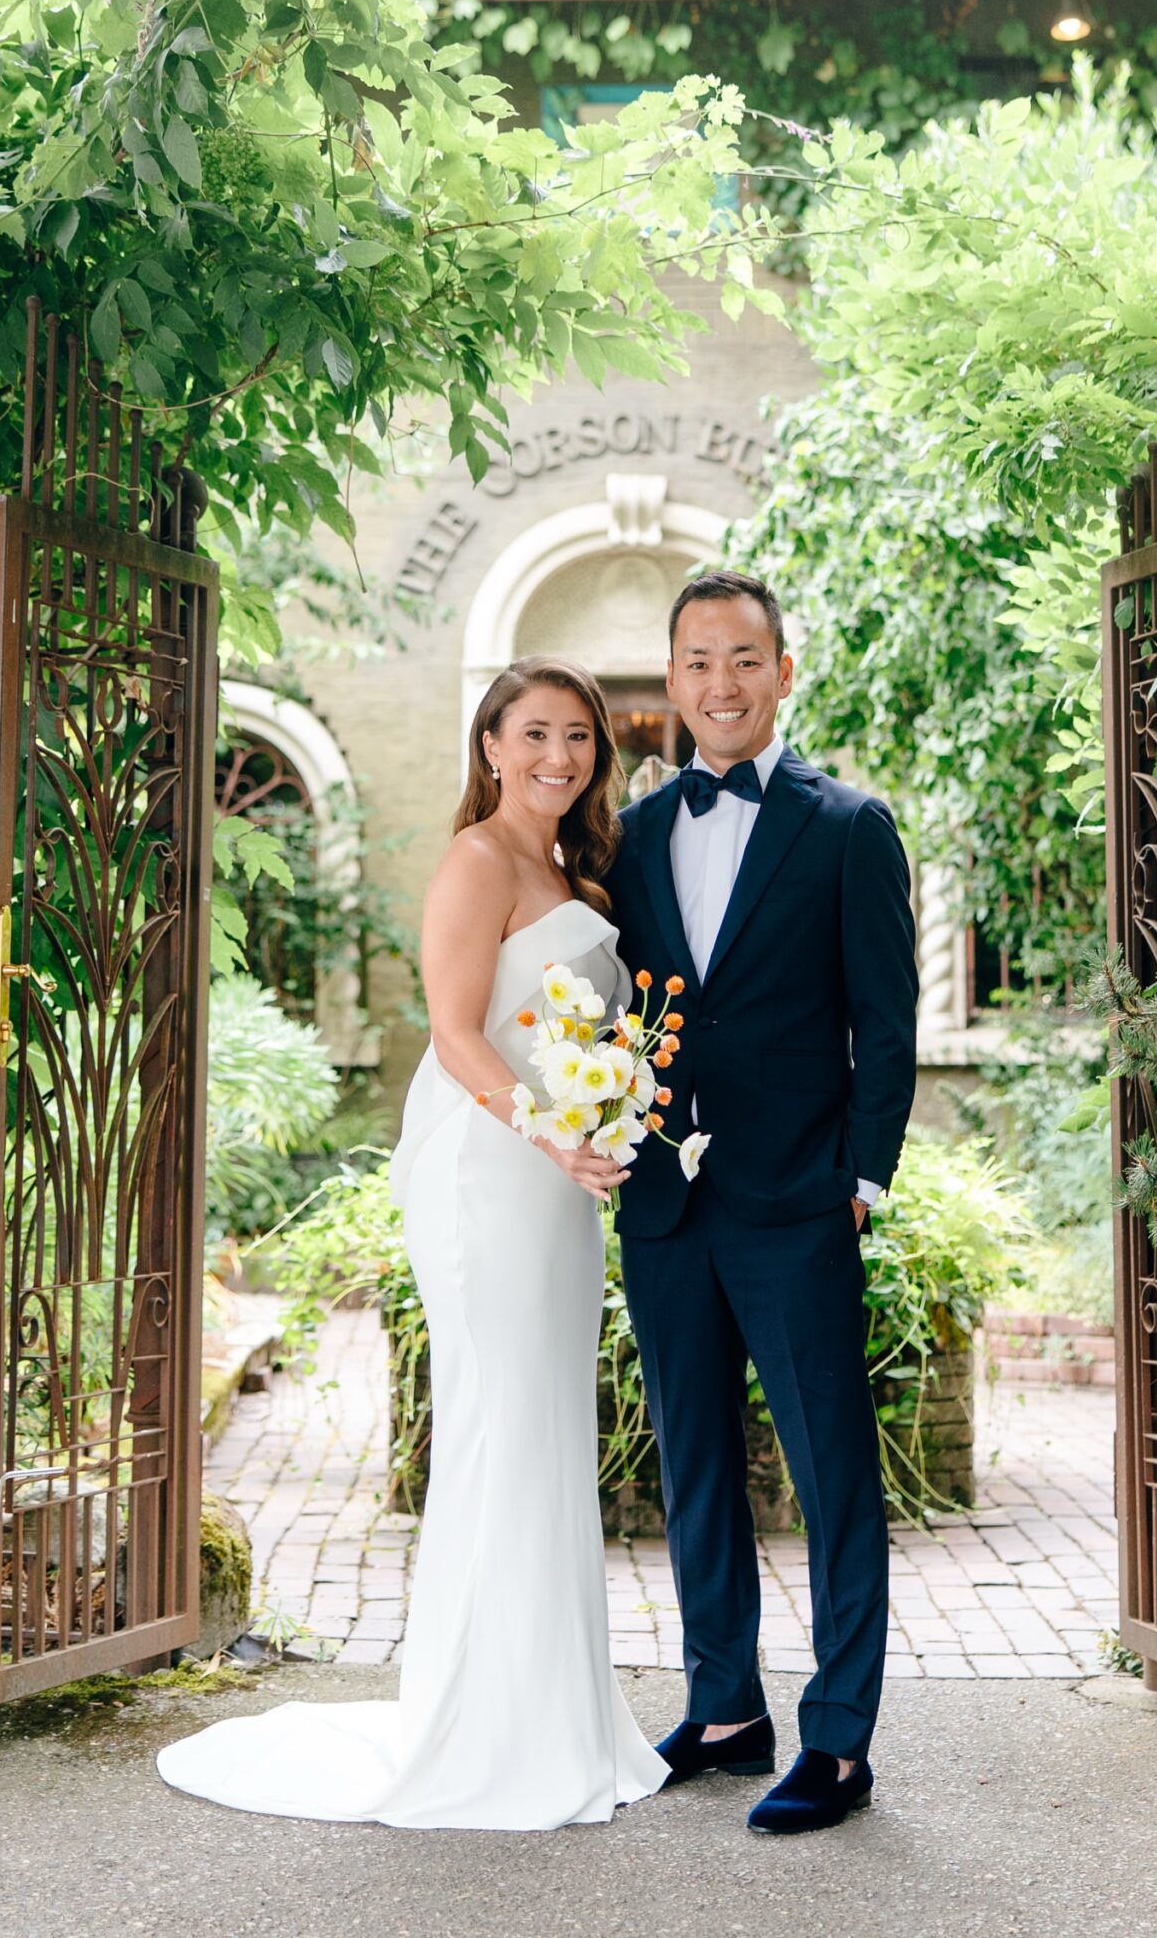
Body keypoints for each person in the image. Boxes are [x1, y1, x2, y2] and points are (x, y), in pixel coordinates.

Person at [157, 656, 667, 1830]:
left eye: (579, 736)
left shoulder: (571, 864)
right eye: (535, 733)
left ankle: (557, 1716)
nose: (560, 755)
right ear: (490, 744)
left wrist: (607, 1111)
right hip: (491, 1173)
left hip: (559, 1175)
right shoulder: (477, 860)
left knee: (547, 1421)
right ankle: (479, 1728)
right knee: (496, 1420)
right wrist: (556, 1132)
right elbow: (452, 1031)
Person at [608, 570, 918, 1836]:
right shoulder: (628, 838)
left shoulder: (849, 825)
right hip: (666, 1202)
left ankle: (839, 1738)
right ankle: (727, 1705)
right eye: (696, 661)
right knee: (693, 1464)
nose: (720, 684)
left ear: (784, 671)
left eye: (745, 659)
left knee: (833, 1473)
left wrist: (859, 1180)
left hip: (798, 1203)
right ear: (672, 678)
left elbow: (886, 1026)